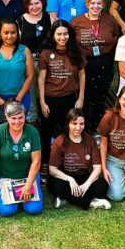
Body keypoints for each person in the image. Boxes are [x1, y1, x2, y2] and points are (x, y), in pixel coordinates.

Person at [38, 20, 86, 178]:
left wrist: (80, 98)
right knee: (46, 133)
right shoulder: (46, 52)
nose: (62, 37)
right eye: (59, 34)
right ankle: (45, 163)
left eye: (65, 33)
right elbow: (41, 79)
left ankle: (67, 162)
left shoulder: (76, 51)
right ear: (53, 35)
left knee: (69, 132)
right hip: (50, 99)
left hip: (70, 98)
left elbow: (82, 75)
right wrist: (42, 102)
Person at [70, 0, 119, 131]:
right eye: (92, 3)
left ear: (103, 4)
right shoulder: (77, 21)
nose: (95, 7)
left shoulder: (110, 20)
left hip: (105, 63)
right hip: (85, 64)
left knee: (101, 97)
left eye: (99, 3)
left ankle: (98, 127)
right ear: (86, 4)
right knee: (84, 97)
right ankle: (83, 127)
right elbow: (71, 43)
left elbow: (115, 37)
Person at [0, 100, 43, 217]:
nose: (17, 122)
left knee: (34, 209)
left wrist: (28, 185)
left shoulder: (32, 132)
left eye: (20, 118)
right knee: (7, 211)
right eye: (13, 118)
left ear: (25, 116)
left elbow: (36, 161)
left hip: (27, 177)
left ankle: (24, 195)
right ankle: (8, 195)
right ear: (6, 117)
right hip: (4, 176)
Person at [48, 108, 111, 210]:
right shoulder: (59, 141)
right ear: (68, 124)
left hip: (83, 178)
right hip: (65, 179)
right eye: (74, 124)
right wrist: (70, 179)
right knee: (53, 184)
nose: (78, 127)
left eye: (81, 124)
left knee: (103, 185)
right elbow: (52, 169)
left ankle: (66, 198)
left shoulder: (90, 141)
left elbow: (97, 168)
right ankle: (90, 202)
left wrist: (87, 184)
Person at [0, 18, 34, 125]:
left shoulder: (24, 50)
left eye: (13, 32)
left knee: (19, 126)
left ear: (17, 33)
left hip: (20, 97)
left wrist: (19, 98)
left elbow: (30, 76)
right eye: (6, 33)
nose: (9, 36)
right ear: (0, 34)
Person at [17, 0, 51, 124]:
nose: (34, 7)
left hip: (47, 64)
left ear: (42, 3)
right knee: (30, 97)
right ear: (26, 5)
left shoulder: (50, 18)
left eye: (37, 3)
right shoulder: (20, 21)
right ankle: (32, 125)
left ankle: (48, 125)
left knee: (46, 95)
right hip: (28, 64)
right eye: (31, 4)